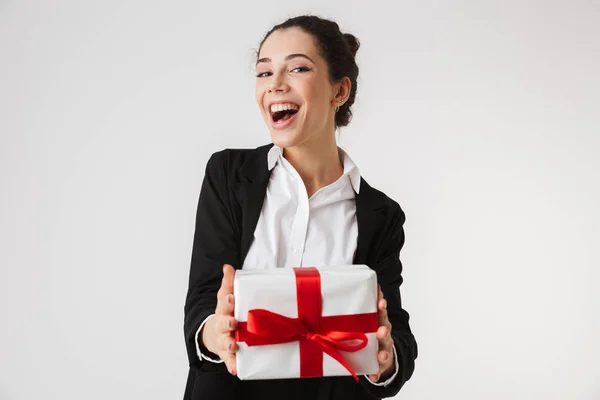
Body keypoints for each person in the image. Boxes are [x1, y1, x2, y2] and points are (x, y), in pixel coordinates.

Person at [183, 15, 417, 400]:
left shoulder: (380, 215)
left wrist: (386, 356)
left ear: (339, 91)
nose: (275, 84)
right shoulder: (228, 175)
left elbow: (396, 339)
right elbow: (203, 302)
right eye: (263, 72)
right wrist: (215, 331)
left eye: (297, 68)